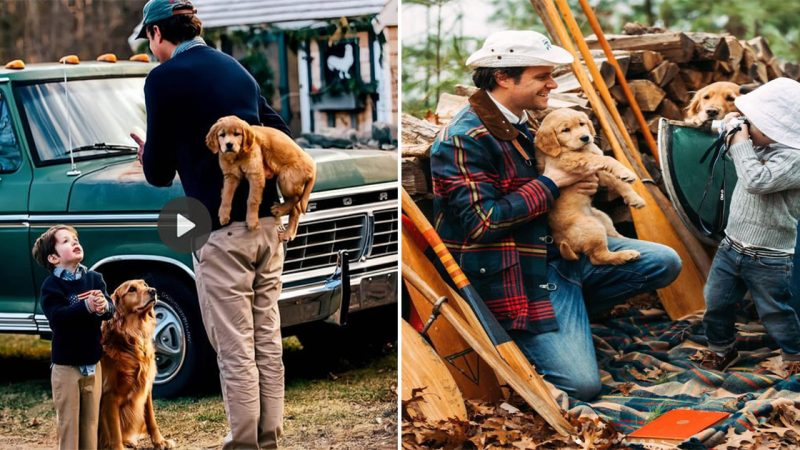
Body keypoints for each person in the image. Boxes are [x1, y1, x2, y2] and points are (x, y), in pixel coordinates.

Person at [429, 30, 681, 401]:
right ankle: (538, 329)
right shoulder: (463, 138)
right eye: (542, 76)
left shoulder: (523, 120)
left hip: (559, 251)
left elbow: (553, 182)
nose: (551, 84)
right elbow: (483, 222)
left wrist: (577, 187)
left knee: (664, 262)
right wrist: (551, 182)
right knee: (582, 386)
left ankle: (571, 311)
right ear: (503, 77)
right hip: (514, 276)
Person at [133, 0, 290, 448]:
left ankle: (243, 442)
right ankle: (268, 437)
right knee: (267, 338)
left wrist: (148, 153)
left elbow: (159, 172)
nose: (151, 47)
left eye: (149, 39)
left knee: (234, 344)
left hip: (220, 233)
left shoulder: (162, 80)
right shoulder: (235, 70)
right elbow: (279, 132)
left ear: (158, 34)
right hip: (266, 229)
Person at [699, 77, 800, 375]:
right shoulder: (757, 142)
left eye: (751, 122)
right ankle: (721, 349)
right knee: (716, 301)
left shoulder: (794, 159)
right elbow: (738, 155)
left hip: (770, 255)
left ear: (775, 128)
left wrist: (740, 140)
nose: (746, 126)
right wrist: (731, 126)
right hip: (732, 245)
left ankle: (794, 356)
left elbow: (757, 180)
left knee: (776, 311)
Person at [31, 225, 115, 450]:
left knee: (90, 424)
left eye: (76, 238)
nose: (75, 242)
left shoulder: (95, 279)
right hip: (66, 367)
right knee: (69, 426)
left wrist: (103, 307)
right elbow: (57, 318)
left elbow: (110, 309)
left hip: (93, 364)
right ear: (53, 257)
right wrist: (85, 306)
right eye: (66, 241)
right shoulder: (52, 286)